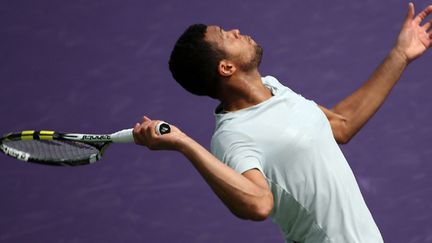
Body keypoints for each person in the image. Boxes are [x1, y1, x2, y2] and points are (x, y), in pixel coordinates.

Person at [133, 3, 432, 243]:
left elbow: (342, 124)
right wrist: (185, 143)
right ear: (226, 67)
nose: (236, 30)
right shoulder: (233, 137)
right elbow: (259, 204)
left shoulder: (273, 88)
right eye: (226, 36)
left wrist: (400, 55)